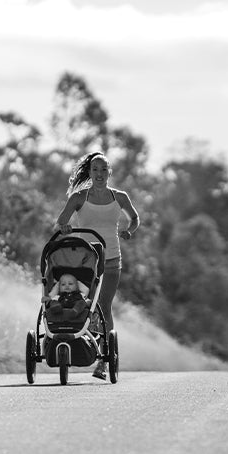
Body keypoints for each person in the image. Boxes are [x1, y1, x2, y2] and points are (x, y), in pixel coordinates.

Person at [55, 151, 140, 380]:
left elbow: (134, 218)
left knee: (104, 306)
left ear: (109, 172)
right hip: (86, 261)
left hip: (111, 259)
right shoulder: (79, 197)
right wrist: (65, 227)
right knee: (86, 304)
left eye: (104, 170)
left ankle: (103, 361)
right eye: (95, 170)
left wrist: (129, 231)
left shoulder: (120, 197)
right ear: (90, 172)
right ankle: (84, 347)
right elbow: (61, 221)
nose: (99, 174)